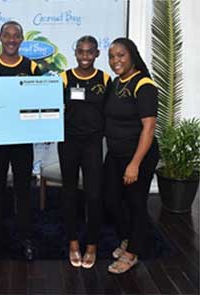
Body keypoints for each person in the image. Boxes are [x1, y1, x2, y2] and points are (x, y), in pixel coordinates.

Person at [0, 21, 42, 261]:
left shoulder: (33, 67)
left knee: (24, 191)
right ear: (0, 37)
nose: (12, 39)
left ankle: (26, 238)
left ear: (22, 39)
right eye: (8, 35)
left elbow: (40, 103)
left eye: (16, 36)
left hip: (23, 142)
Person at [104, 37, 159, 274]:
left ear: (132, 56)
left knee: (136, 204)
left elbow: (149, 127)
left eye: (120, 55)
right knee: (111, 200)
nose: (115, 61)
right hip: (115, 154)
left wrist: (134, 164)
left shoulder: (143, 84)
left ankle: (132, 252)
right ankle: (129, 237)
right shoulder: (116, 83)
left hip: (138, 157)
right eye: (112, 56)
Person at [58, 36, 111, 268]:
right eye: (81, 52)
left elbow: (111, 113)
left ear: (97, 54)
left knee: (93, 195)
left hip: (92, 144)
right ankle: (73, 243)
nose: (85, 57)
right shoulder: (64, 78)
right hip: (68, 143)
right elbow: (51, 109)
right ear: (75, 53)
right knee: (69, 193)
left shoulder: (105, 79)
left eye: (90, 52)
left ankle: (91, 245)